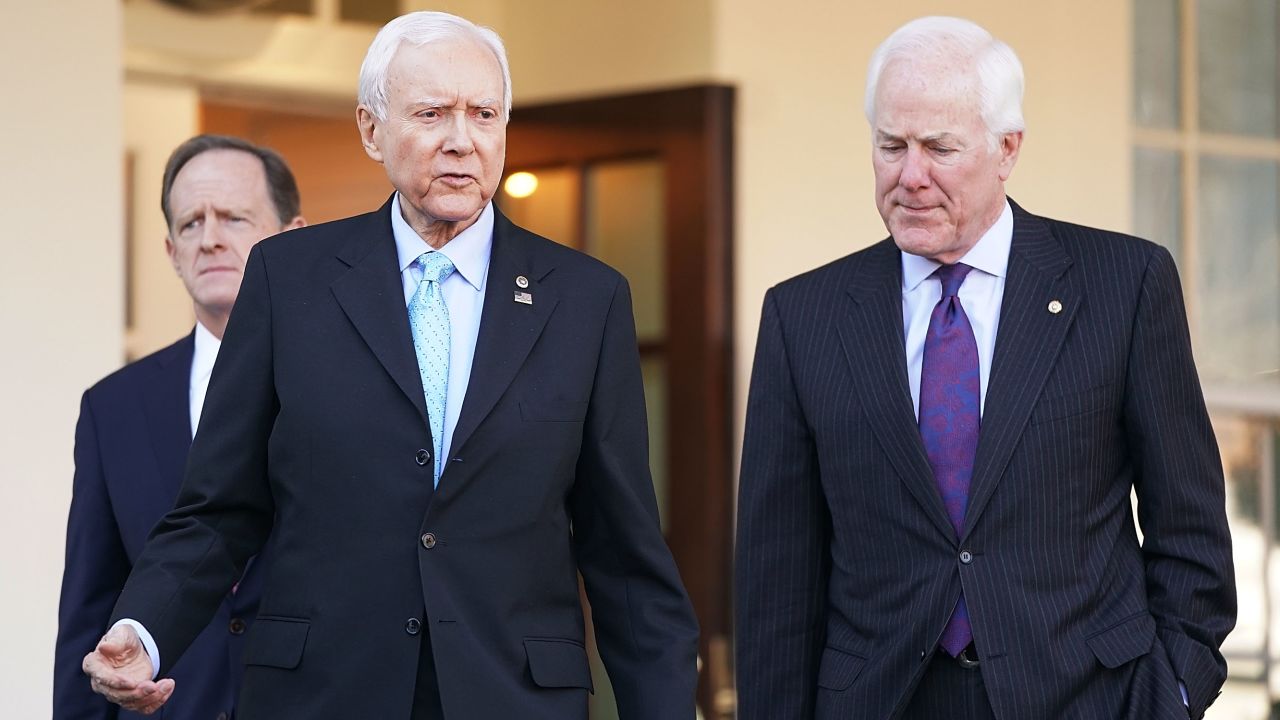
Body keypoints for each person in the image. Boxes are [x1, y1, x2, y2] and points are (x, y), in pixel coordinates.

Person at [80, 11, 699, 720]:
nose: (461, 141)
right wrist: (144, 630)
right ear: (371, 130)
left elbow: (625, 560)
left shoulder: (586, 300)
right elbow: (219, 511)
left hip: (513, 697)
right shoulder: (289, 281)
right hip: (321, 695)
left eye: (483, 114)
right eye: (432, 113)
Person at [735, 16, 1235, 720]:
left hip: (1091, 698)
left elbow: (1190, 529)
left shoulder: (1124, 285)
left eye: (939, 147)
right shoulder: (803, 316)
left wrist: (1174, 691)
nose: (910, 176)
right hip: (880, 700)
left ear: (1007, 149)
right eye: (890, 146)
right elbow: (776, 578)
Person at [55, 134, 305, 720]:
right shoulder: (113, 406)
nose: (210, 237)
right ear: (170, 250)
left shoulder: (357, 387)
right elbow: (90, 606)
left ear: (294, 237)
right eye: (190, 223)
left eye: (234, 217)